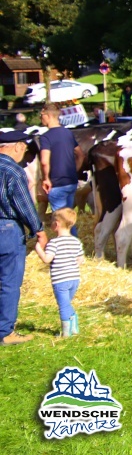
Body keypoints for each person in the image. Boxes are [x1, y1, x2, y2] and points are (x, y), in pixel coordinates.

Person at [0, 130, 48, 345]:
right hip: (6, 228)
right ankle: (4, 332)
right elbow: (24, 205)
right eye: (25, 149)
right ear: (18, 146)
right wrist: (39, 229)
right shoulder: (13, 170)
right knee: (8, 282)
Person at [34, 208, 84, 338]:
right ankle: (74, 327)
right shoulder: (76, 241)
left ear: (56, 224)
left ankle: (66, 333)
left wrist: (38, 249)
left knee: (63, 306)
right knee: (67, 303)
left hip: (60, 280)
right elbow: (80, 260)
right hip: (74, 278)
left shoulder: (54, 243)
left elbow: (47, 259)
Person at [38, 103, 84, 237]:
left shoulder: (45, 137)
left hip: (56, 183)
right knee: (68, 219)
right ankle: (74, 243)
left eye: (41, 115)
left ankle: (68, 246)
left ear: (48, 115)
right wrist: (75, 170)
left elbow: (44, 161)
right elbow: (80, 154)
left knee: (61, 221)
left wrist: (46, 178)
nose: (41, 118)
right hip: (71, 181)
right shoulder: (68, 133)